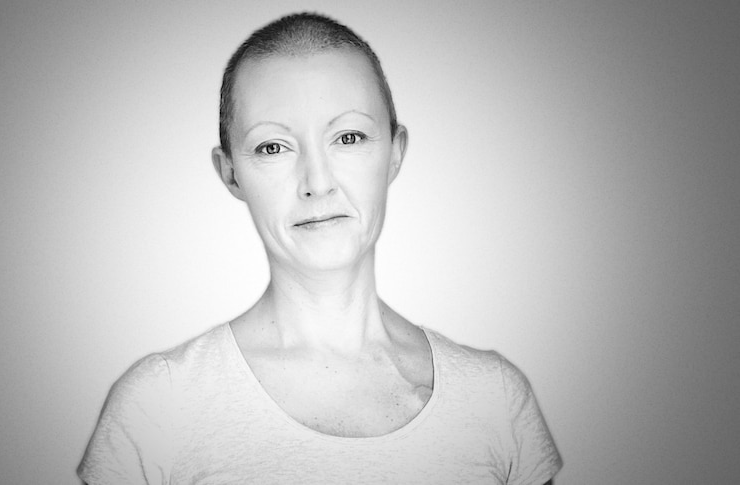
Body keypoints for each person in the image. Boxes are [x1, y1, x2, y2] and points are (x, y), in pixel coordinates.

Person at [78, 12, 561, 484]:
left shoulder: (495, 399)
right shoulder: (159, 407)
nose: (317, 182)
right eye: (272, 147)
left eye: (348, 137)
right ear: (230, 173)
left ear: (395, 152)